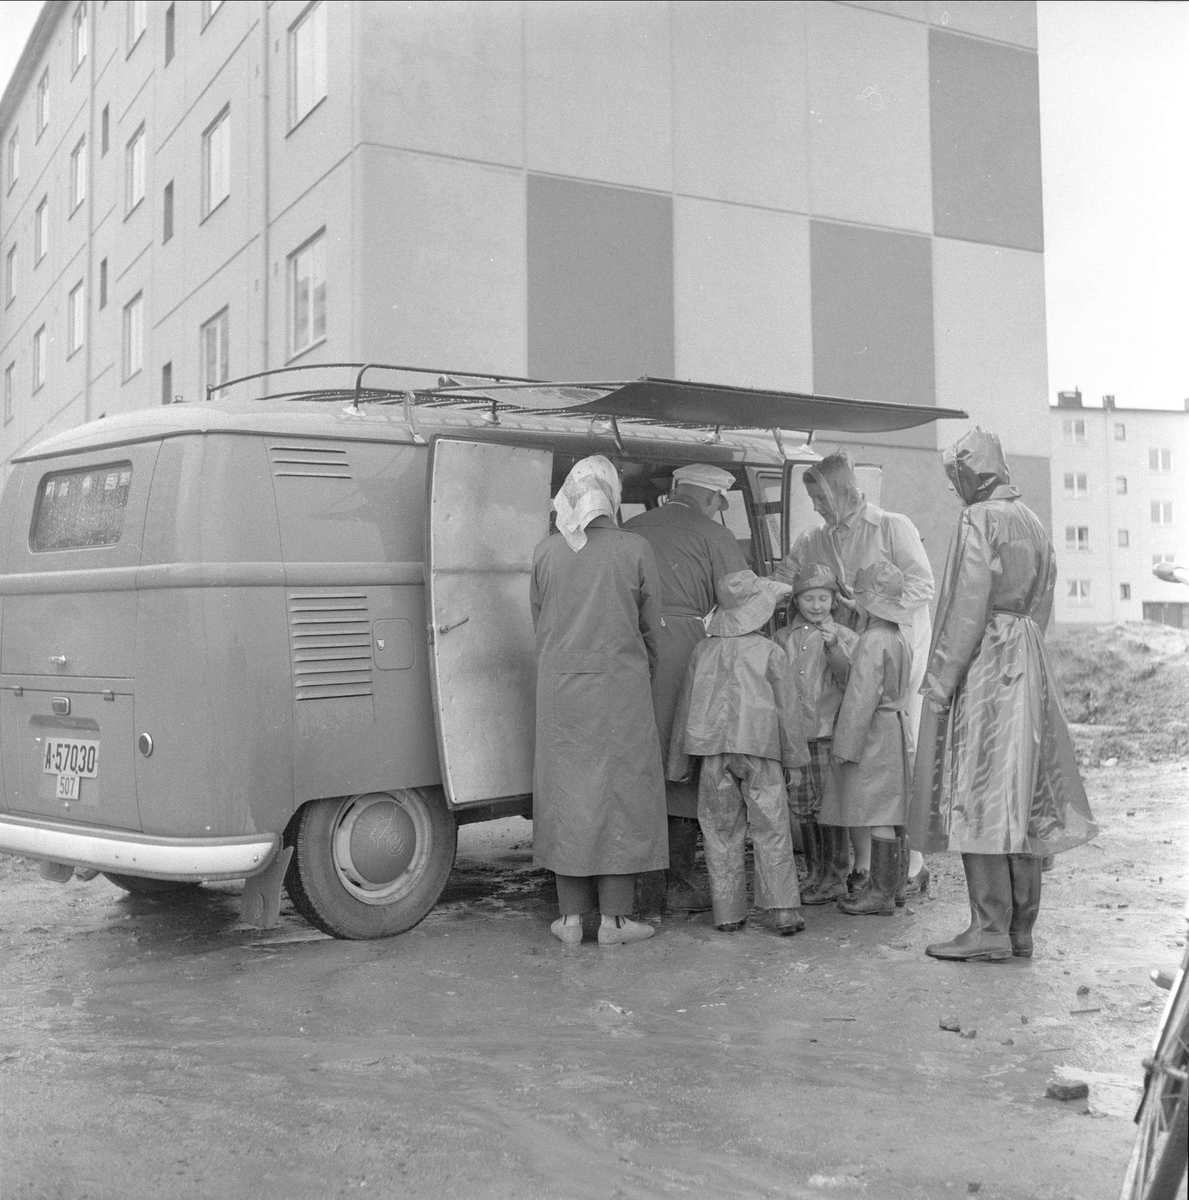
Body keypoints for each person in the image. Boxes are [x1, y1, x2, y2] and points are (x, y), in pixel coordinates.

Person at [911, 428, 1099, 961]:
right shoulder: (1033, 521)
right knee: (1025, 795)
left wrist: (942, 679)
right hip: (1027, 656)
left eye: (956, 479)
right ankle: (1020, 931)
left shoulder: (981, 518)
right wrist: (1024, 646)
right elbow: (1043, 597)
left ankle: (987, 929)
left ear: (970, 473)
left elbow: (966, 601)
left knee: (979, 792)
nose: (954, 491)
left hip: (989, 661)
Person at [774, 449, 935, 896]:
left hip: (893, 658)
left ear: (841, 490)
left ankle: (912, 864)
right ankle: (867, 868)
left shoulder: (891, 526)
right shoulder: (814, 538)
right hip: (843, 666)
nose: (818, 508)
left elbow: (923, 585)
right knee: (860, 770)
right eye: (813, 501)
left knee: (901, 758)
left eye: (821, 499)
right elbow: (788, 578)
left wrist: (863, 606)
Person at [530, 456, 667, 947]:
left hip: (560, 697)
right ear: (611, 495)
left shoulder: (546, 553)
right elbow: (652, 631)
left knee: (568, 796)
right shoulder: (635, 549)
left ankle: (568, 921)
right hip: (620, 692)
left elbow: (540, 624)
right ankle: (613, 922)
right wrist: (639, 674)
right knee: (621, 797)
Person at [624, 463, 750, 915]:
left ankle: (633, 884)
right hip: (684, 650)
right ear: (714, 500)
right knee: (683, 758)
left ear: (676, 489)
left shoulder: (630, 526)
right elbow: (740, 598)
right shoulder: (715, 535)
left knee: (637, 760)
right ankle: (675, 882)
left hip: (628, 645)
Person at [667, 570, 810, 935]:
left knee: (719, 830)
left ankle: (728, 912)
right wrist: (794, 759)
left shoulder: (702, 650)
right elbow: (787, 712)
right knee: (772, 826)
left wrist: (678, 764)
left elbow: (686, 707)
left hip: (714, 752)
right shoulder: (770, 652)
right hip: (761, 750)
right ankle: (782, 911)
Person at [821, 563, 914, 917]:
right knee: (890, 811)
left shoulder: (873, 639)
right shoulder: (896, 636)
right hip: (892, 728)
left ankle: (880, 894)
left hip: (872, 733)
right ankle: (894, 888)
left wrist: (844, 747)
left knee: (877, 813)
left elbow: (860, 697)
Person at [773, 563, 858, 905]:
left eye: (824, 598)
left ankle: (835, 875)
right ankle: (815, 873)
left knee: (829, 807)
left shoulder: (844, 637)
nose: (817, 605)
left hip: (827, 733)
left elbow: (850, 681)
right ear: (797, 600)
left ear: (835, 601)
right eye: (809, 598)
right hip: (797, 737)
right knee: (803, 806)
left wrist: (834, 647)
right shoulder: (782, 639)